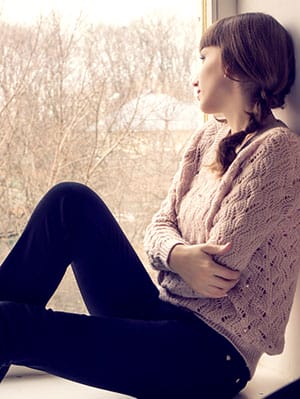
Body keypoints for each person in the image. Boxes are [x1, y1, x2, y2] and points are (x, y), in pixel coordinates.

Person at [0, 11, 299, 399]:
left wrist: (176, 257)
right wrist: (176, 255)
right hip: (162, 316)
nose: (195, 75)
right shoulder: (207, 138)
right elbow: (159, 225)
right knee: (68, 201)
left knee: (10, 324)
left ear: (233, 66)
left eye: (203, 58)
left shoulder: (278, 151)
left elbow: (216, 272)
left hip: (210, 355)